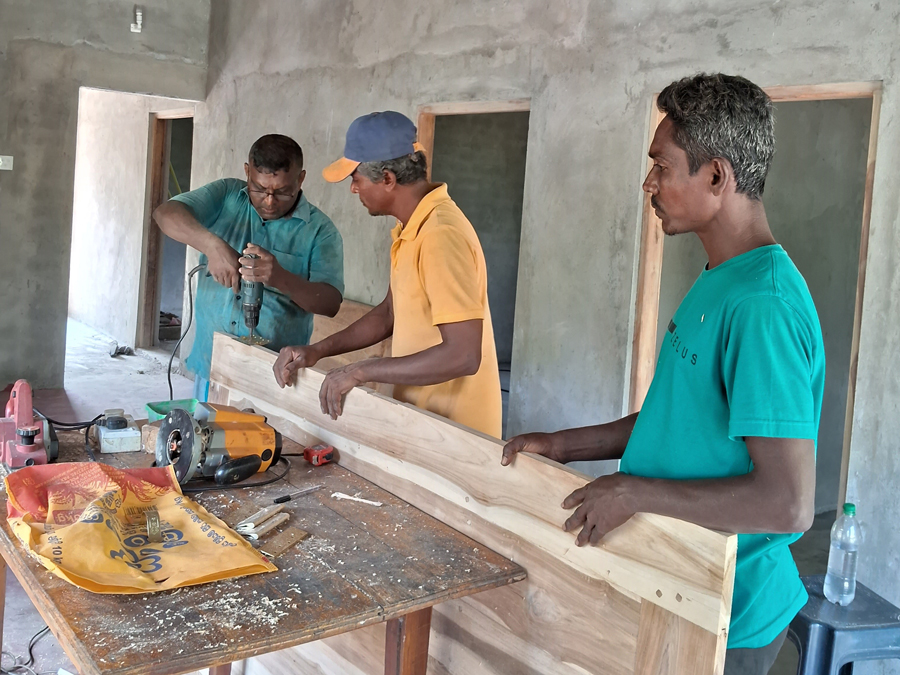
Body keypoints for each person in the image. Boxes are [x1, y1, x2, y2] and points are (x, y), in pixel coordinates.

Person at [501, 74, 824, 675]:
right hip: (679, 583)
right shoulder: (720, 276)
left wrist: (633, 492)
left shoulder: (763, 306)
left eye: (661, 166)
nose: (649, 184)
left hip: (730, 613)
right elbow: (675, 418)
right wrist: (563, 445)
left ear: (717, 177)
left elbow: (788, 504)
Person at [272, 111, 502, 438]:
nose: (353, 189)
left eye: (356, 178)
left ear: (388, 179)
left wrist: (362, 370)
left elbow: (463, 355)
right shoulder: (411, 227)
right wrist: (317, 351)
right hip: (421, 417)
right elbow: (389, 314)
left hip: (455, 431)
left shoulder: (440, 236)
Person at [154, 134, 344, 401]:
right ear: (247, 172)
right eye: (259, 188)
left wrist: (280, 278)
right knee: (207, 436)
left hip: (273, 374)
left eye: (281, 191)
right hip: (211, 364)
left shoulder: (320, 231)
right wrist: (212, 245)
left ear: (300, 179)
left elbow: (330, 303)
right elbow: (165, 214)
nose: (269, 200)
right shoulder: (227, 196)